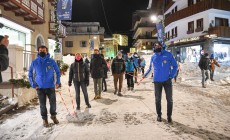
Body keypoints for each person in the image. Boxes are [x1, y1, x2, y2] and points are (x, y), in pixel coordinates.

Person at [143, 42, 178, 123]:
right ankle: (159, 115)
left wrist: (171, 76)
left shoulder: (168, 54)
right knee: (157, 99)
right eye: (155, 45)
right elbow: (151, 68)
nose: (157, 46)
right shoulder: (153, 56)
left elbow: (175, 66)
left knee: (169, 99)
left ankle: (169, 116)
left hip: (167, 81)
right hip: (157, 81)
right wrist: (145, 75)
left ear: (162, 46)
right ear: (154, 47)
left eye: (158, 45)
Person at [28, 45, 60, 127]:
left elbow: (57, 72)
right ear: (38, 51)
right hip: (40, 87)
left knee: (53, 103)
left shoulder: (51, 61)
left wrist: (57, 82)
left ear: (47, 51)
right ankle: (45, 119)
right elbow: (30, 74)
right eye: (41, 50)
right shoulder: (35, 62)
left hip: (50, 86)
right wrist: (33, 84)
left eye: (44, 50)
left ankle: (53, 116)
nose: (42, 51)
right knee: (42, 105)